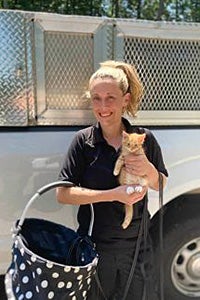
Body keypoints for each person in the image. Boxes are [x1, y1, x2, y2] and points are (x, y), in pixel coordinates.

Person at [56, 60, 168, 300]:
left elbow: (160, 184)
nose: (103, 106)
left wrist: (148, 168)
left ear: (125, 100)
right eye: (96, 98)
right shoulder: (83, 142)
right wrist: (113, 195)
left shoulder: (143, 138)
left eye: (110, 98)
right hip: (96, 248)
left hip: (137, 247)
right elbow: (63, 194)